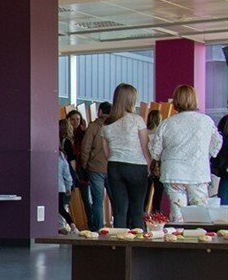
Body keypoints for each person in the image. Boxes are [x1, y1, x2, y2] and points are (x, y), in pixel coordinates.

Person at [148, 84, 223, 211]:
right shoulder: (206, 121)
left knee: (178, 213)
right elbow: (217, 142)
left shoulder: (167, 123)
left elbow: (155, 151)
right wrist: (206, 154)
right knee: (199, 214)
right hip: (198, 172)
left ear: (175, 100)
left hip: (174, 172)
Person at [102, 83, 149, 230]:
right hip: (137, 166)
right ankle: (137, 240)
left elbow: (106, 153)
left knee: (120, 210)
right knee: (137, 210)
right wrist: (150, 165)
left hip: (115, 166)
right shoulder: (137, 120)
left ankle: (119, 241)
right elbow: (145, 146)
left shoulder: (107, 123)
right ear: (131, 100)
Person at [80, 101, 112, 231]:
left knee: (98, 202)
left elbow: (85, 148)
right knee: (116, 201)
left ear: (100, 112)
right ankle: (121, 227)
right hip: (112, 168)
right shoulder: (114, 126)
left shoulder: (94, 127)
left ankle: (98, 229)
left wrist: (84, 164)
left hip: (95, 168)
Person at [58, 119, 74, 232]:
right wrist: (69, 186)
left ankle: (64, 226)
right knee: (62, 207)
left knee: (58, 208)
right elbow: (67, 174)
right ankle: (69, 226)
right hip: (60, 187)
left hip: (48, 186)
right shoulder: (61, 156)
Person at [214, 112, 228, 205]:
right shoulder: (225, 121)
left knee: (223, 206)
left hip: (225, 170)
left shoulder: (225, 120)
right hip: (225, 171)